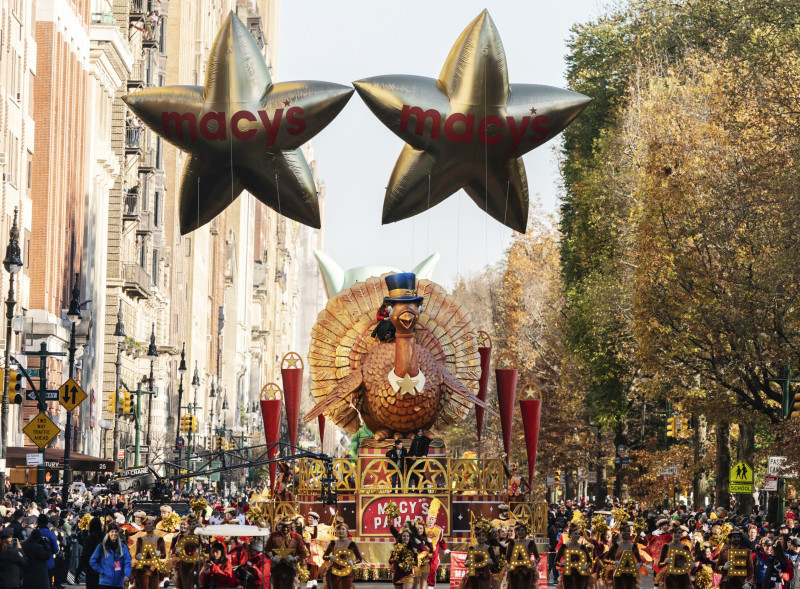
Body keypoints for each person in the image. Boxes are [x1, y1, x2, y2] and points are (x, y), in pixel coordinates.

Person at [266, 517, 308, 589]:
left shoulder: (297, 537)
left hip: (291, 569)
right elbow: (267, 549)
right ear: (281, 525)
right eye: (284, 526)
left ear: (291, 525)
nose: (285, 529)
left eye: (287, 527)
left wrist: (295, 559)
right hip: (277, 568)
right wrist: (272, 557)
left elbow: (303, 553)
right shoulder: (273, 535)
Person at [90, 524, 132, 589]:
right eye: (112, 531)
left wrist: (126, 575)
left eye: (116, 531)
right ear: (108, 533)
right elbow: (92, 561)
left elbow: (127, 562)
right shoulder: (102, 546)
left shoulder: (123, 547)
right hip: (105, 583)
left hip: (118, 583)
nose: (114, 533)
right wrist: (102, 571)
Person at [322, 523, 363, 589]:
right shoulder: (333, 543)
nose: (340, 531)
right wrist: (329, 557)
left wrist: (353, 562)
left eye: (343, 529)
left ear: (347, 531)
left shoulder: (352, 544)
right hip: (334, 572)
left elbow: (359, 558)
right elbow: (324, 556)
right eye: (339, 529)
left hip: (347, 572)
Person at [132, 517, 167, 589]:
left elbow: (164, 555)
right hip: (142, 569)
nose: (147, 525)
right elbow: (137, 555)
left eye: (149, 523)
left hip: (153, 568)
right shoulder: (140, 540)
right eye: (145, 524)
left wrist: (159, 554)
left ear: (153, 526)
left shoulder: (160, 539)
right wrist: (138, 556)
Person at [556, 524, 591, 589]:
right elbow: (556, 561)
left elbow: (589, 561)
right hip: (568, 575)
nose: (578, 536)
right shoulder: (564, 546)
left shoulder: (583, 547)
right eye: (575, 534)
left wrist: (586, 566)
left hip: (581, 575)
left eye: (579, 534)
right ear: (570, 534)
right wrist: (561, 564)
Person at [505, 522, 539, 589]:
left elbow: (537, 557)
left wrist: (535, 563)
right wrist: (509, 564)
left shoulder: (531, 543)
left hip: (527, 571)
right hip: (514, 571)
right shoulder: (511, 543)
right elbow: (507, 557)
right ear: (516, 532)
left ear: (526, 532)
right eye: (518, 531)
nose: (520, 532)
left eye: (522, 530)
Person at [77, 517, 105, 589]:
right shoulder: (106, 537)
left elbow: (85, 556)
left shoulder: (90, 538)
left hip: (92, 570)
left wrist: (78, 572)